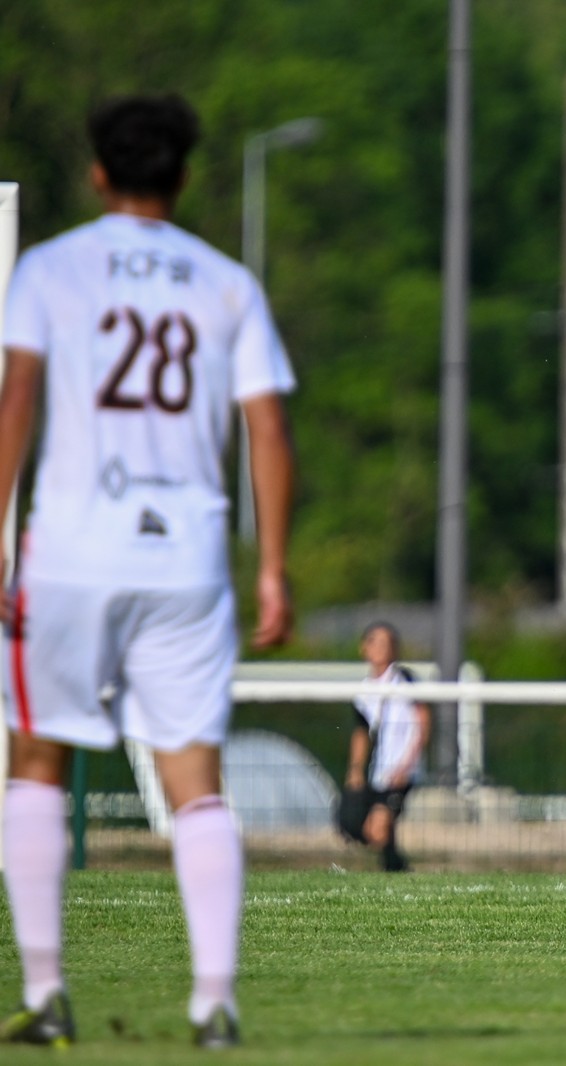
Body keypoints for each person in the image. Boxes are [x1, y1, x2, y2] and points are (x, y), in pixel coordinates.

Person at [0, 94, 296, 1048]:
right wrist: (273, 568)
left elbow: (15, 401)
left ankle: (46, 991)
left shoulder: (50, 268)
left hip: (71, 550)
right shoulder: (225, 283)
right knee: (195, 778)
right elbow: (268, 428)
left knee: (37, 761)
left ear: (97, 174)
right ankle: (214, 1002)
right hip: (187, 556)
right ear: (184, 178)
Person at [340, 623, 430, 873]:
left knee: (379, 827)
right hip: (378, 770)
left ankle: (396, 867)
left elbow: (423, 721)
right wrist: (355, 770)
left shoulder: (405, 680)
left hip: (402, 770)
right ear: (363, 647)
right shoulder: (365, 689)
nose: (380, 648)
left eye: (386, 643)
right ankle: (397, 868)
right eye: (375, 642)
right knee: (352, 823)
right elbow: (361, 731)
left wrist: (408, 764)